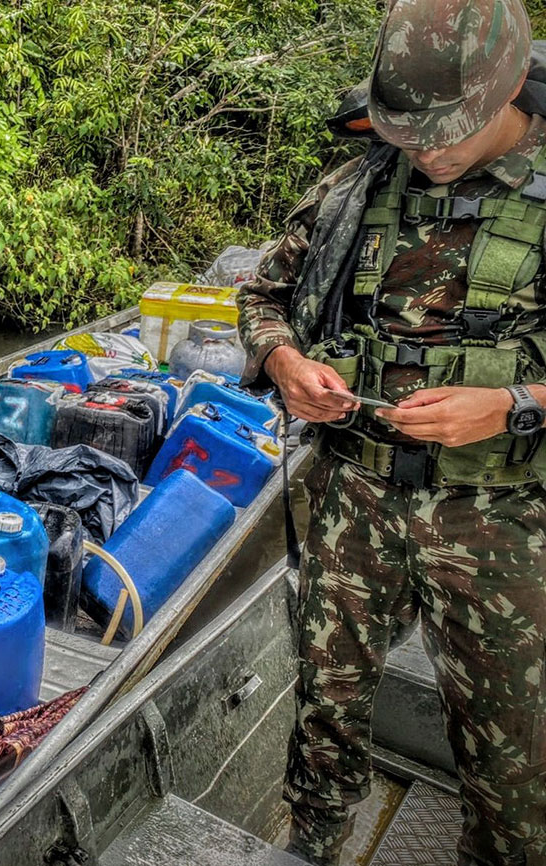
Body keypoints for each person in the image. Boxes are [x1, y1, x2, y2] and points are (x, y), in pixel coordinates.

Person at [237, 1, 546, 864]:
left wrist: (513, 403)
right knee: (325, 703)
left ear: (512, 85)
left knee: (510, 750)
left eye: (449, 131)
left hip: (499, 518)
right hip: (355, 496)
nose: (430, 152)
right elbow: (262, 296)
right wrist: (288, 366)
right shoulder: (359, 183)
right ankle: (316, 840)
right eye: (412, 132)